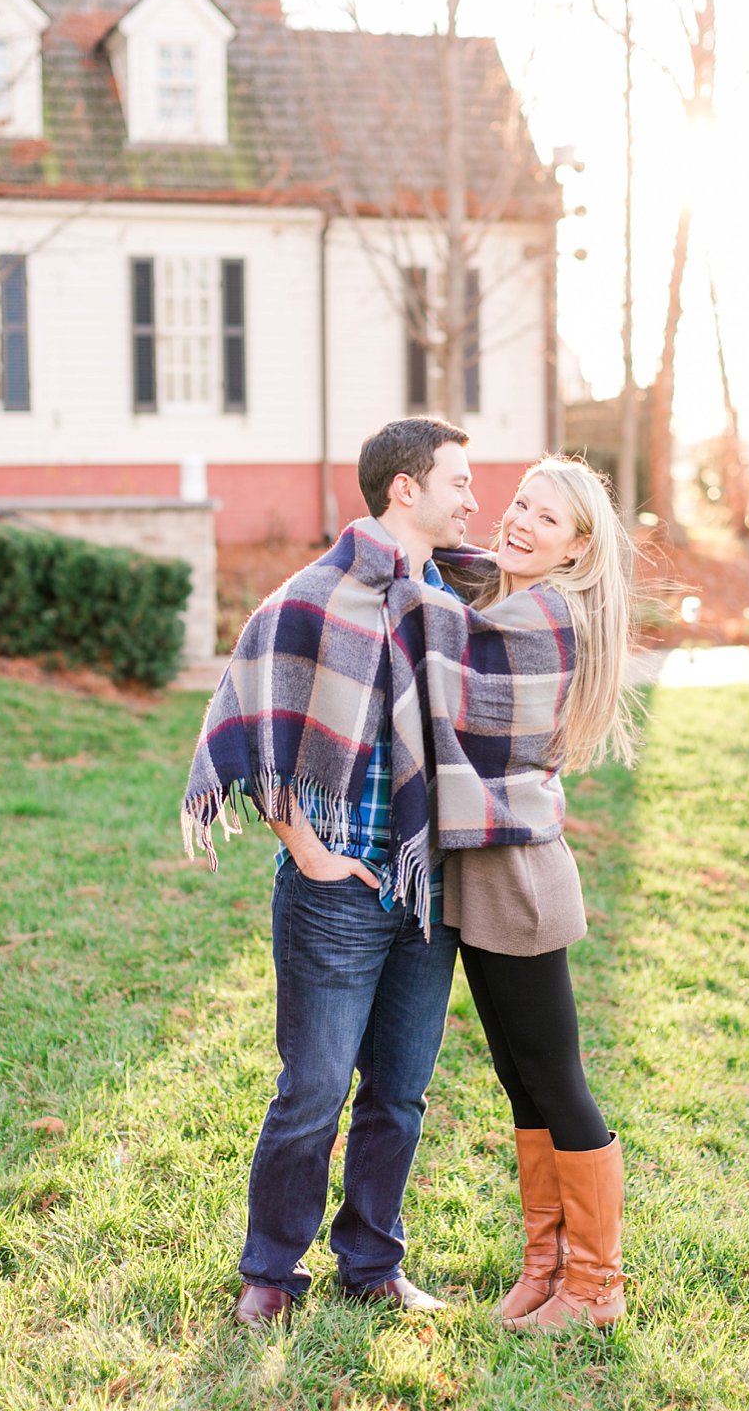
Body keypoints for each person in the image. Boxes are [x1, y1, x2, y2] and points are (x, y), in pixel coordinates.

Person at [183, 417, 477, 1327]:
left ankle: (372, 1263)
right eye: (459, 481)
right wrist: (309, 852)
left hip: (429, 892)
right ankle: (270, 1271)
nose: (473, 499)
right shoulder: (310, 601)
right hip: (337, 894)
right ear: (405, 489)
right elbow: (247, 718)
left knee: (401, 1091)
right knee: (312, 1087)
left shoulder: (454, 607)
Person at [433, 455, 637, 1333]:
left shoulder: (537, 617)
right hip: (488, 870)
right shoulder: (513, 597)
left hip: (517, 878)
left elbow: (441, 665)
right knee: (521, 1082)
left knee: (557, 1081)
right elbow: (461, 576)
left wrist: (397, 575)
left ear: (576, 547)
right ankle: (545, 1266)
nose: (516, 522)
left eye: (544, 520)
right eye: (518, 504)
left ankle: (596, 1287)